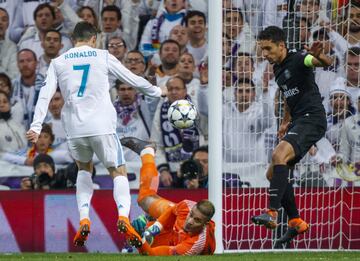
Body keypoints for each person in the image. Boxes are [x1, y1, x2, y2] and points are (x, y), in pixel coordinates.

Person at [26, 21, 164, 247]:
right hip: (102, 127)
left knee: (83, 169)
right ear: (94, 39)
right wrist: (158, 91)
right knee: (118, 171)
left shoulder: (59, 62)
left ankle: (83, 219)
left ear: (73, 39)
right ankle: (122, 216)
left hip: (75, 130)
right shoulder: (102, 55)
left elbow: (46, 93)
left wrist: (36, 126)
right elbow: (132, 78)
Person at [251, 26, 333, 244]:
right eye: (262, 50)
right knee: (273, 173)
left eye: (268, 49)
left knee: (278, 156)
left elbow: (324, 63)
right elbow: (289, 95)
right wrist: (286, 120)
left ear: (281, 46)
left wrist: (319, 56)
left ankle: (272, 213)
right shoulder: (278, 69)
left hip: (313, 118)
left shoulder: (299, 59)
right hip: (298, 120)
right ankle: (296, 222)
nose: (264, 54)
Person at [120, 136, 215, 255]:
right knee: (145, 198)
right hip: (173, 222)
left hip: (174, 240)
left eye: (197, 220)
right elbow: (171, 211)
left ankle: (142, 231)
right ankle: (147, 152)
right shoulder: (186, 207)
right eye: (191, 215)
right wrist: (151, 231)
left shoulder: (194, 244)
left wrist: (139, 241)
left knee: (141, 243)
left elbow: (151, 254)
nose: (190, 221)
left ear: (204, 225)